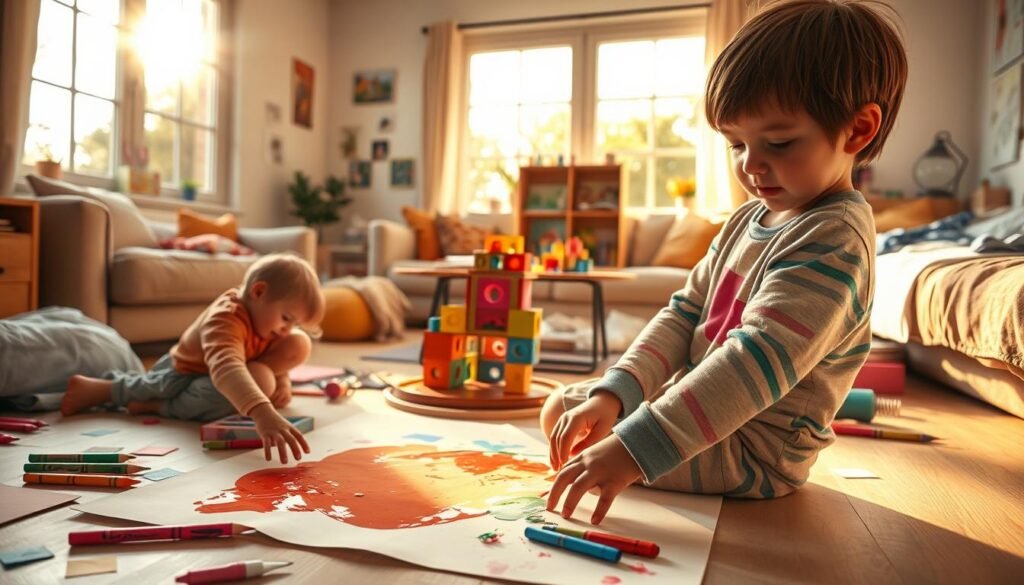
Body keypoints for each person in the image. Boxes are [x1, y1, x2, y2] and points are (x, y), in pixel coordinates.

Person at [543, 0, 908, 524]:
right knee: (570, 407)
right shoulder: (747, 220)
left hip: (755, 454)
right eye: (736, 143)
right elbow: (682, 312)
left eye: (778, 143)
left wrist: (632, 448)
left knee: (580, 433)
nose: (750, 165)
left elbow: (752, 360)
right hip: (702, 421)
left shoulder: (837, 238)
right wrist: (617, 392)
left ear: (857, 131)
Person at [61, 253, 325, 464]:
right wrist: (262, 412)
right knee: (149, 387)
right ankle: (110, 392)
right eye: (286, 319)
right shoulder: (226, 318)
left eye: (294, 322)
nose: (285, 329)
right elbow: (227, 367)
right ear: (258, 292)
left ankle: (148, 401)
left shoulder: (267, 319)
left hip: (224, 376)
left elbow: (273, 352)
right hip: (183, 372)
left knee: (298, 343)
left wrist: (282, 378)